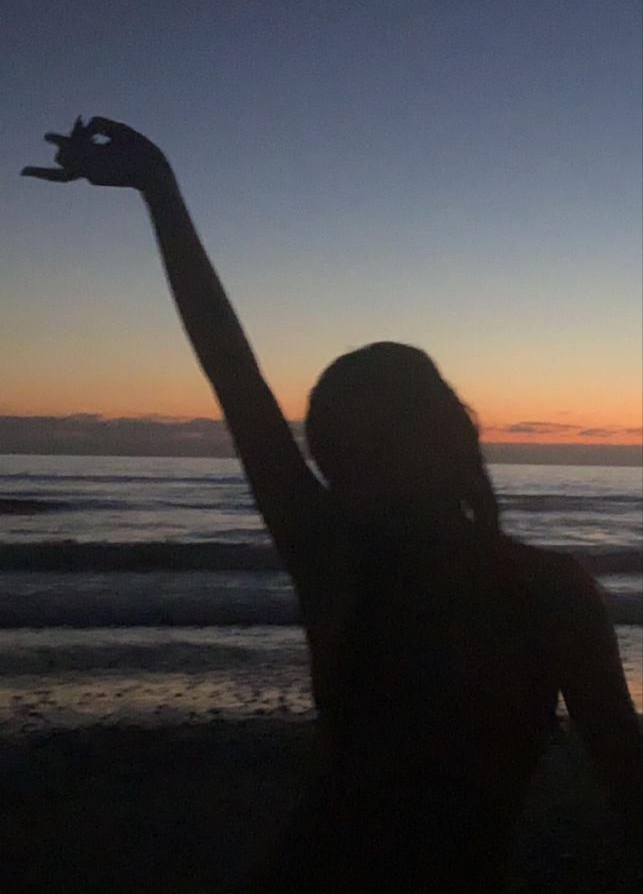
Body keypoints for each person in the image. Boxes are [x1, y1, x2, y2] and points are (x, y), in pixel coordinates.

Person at [24, 118, 641, 891]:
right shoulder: (362, 560)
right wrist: (159, 190)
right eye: (340, 448)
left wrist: (161, 189)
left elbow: (624, 770)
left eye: (376, 442)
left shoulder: (515, 586)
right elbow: (230, 368)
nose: (356, 468)